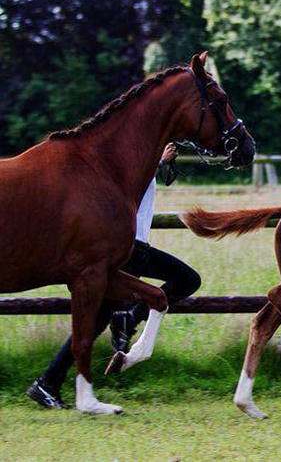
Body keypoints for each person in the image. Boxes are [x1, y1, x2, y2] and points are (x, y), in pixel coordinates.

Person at [26, 143, 201, 409]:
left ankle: (48, 382)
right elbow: (128, 187)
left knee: (94, 323)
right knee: (187, 279)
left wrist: (160, 164)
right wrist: (159, 163)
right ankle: (128, 320)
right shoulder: (126, 164)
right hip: (132, 248)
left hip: (135, 247)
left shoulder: (135, 159)